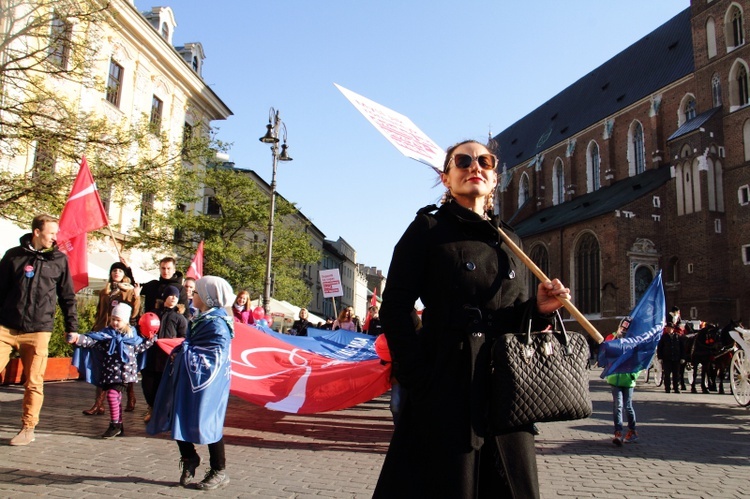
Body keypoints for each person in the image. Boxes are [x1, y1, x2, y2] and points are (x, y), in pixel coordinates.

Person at [373, 140, 570, 498]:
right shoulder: (428, 229)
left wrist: (539, 309)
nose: (474, 166)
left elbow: (516, 316)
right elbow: (395, 307)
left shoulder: (510, 238)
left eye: (485, 161)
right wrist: (417, 374)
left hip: (507, 389)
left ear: (495, 179)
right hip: (446, 382)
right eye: (462, 161)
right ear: (446, 178)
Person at [147, 276, 235, 491]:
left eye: (195, 292)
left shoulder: (217, 324)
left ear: (206, 296)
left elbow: (214, 356)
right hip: (190, 377)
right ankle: (189, 457)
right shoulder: (203, 318)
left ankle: (219, 470)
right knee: (177, 414)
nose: (191, 295)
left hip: (208, 383)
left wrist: (183, 352)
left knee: (208, 421)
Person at [0, 214, 78, 447]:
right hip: (5, 327)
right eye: (51, 233)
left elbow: (67, 297)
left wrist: (71, 327)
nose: (55, 237)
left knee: (33, 381)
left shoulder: (59, 260)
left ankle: (27, 427)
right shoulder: (13, 256)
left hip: (38, 330)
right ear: (37, 232)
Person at [67, 304, 154, 438]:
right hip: (109, 372)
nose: (114, 322)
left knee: (112, 395)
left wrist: (151, 339)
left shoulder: (132, 336)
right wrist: (78, 338)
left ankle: (114, 425)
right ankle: (119, 425)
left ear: (125, 321)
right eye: (113, 319)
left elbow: (139, 348)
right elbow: (92, 341)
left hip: (124, 373)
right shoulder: (106, 334)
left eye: (118, 320)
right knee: (115, 397)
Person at [84, 260, 141, 416]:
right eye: (114, 270)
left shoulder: (128, 291)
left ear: (124, 275)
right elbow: (99, 311)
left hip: (121, 334)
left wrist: (136, 297)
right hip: (104, 332)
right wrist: (96, 327)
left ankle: (130, 396)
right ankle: (98, 404)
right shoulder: (105, 291)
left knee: (123, 369)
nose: (116, 273)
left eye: (120, 271)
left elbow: (135, 313)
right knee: (102, 368)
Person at [141, 285, 187, 424]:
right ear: (165, 296)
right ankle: (152, 406)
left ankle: (163, 412)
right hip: (151, 355)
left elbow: (183, 337)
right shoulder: (154, 313)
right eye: (171, 295)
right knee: (148, 385)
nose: (173, 298)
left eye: (176, 296)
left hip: (168, 357)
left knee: (166, 387)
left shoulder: (179, 318)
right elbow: (144, 328)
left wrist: (176, 351)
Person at [605, 317, 640, 446]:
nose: (624, 330)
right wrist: (617, 336)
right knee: (617, 406)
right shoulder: (613, 337)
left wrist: (634, 375)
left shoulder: (634, 342)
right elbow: (606, 347)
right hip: (615, 378)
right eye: (623, 327)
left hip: (627, 379)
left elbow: (639, 361)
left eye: (627, 329)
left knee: (628, 406)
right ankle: (618, 432)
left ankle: (632, 430)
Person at [657, 323, 684, 394]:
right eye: (667, 328)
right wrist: (660, 358)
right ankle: (667, 388)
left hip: (676, 358)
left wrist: (682, 357)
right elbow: (660, 348)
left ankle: (676, 388)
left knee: (676, 374)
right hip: (667, 359)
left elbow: (682, 348)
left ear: (673, 329)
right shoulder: (664, 337)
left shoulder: (678, 337)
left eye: (669, 328)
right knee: (667, 374)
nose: (668, 329)